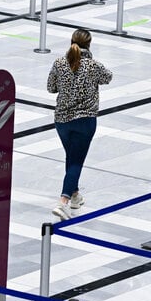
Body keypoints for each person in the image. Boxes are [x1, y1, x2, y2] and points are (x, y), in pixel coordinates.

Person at [46, 29, 112, 221]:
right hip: (85, 120)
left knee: (72, 156)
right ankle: (64, 202)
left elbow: (51, 87)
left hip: (62, 120)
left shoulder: (59, 63)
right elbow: (108, 77)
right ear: (89, 44)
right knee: (76, 161)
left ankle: (74, 195)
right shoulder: (93, 66)